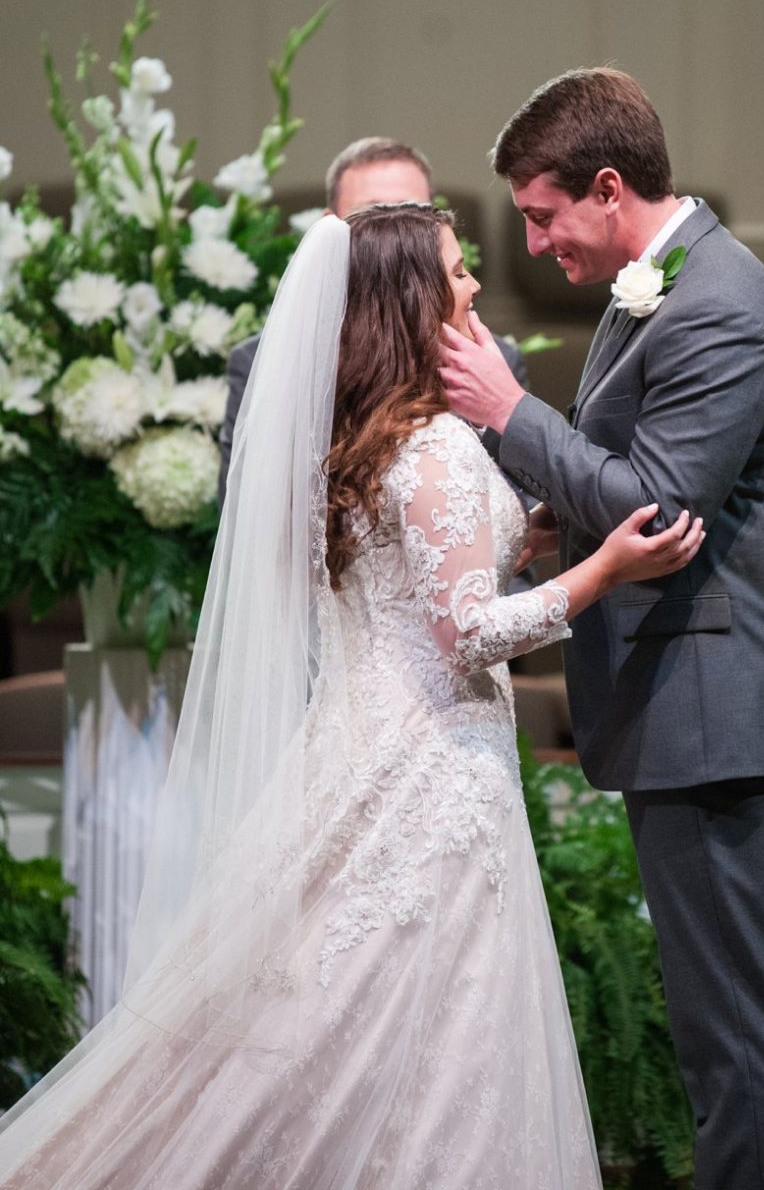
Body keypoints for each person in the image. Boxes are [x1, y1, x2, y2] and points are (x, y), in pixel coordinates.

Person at [0, 203, 703, 1189]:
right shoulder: (438, 446)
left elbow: (418, 569)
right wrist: (606, 572)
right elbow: (469, 631)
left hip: (360, 744)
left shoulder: (359, 442)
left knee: (344, 1021)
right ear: (412, 301)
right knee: (434, 1028)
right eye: (456, 271)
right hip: (431, 771)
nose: (474, 287)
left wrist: (529, 533)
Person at [440, 69, 764, 1190]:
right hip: (701, 703)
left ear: (607, 187)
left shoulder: (717, 304)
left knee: (738, 1038)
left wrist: (508, 413)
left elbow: (659, 507)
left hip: (716, 706)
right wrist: (543, 519)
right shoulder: (667, 285)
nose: (535, 244)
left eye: (543, 216)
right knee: (757, 1015)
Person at [217, 134, 528, 501]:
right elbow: (249, 510)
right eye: (374, 214)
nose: (395, 235)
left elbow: (520, 507)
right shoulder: (266, 363)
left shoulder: (495, 359)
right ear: (330, 227)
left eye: (412, 213)